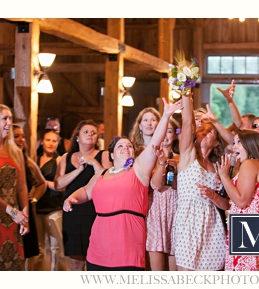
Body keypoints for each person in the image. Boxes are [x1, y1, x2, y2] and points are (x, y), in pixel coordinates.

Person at [63, 98, 179, 271]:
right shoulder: (102, 173)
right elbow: (86, 192)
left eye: (129, 146)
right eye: (120, 146)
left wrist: (166, 116)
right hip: (99, 245)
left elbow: (154, 142)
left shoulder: (138, 170)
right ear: (111, 155)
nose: (126, 148)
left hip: (127, 244)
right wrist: (71, 198)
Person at [173, 91, 226, 271]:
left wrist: (213, 195)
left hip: (212, 225)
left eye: (209, 131)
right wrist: (187, 92)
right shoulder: (188, 156)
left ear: (217, 142)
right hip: (187, 222)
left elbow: (226, 204)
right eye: (201, 129)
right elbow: (187, 122)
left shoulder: (219, 167)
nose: (203, 132)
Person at [0, 104, 29, 271]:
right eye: (5, 119)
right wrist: (12, 211)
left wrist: (25, 216)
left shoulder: (15, 151)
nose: (9, 123)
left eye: (10, 118)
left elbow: (22, 188)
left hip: (14, 218)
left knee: (14, 264)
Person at [214, 130, 259, 271]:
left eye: (239, 142)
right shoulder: (256, 164)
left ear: (250, 145)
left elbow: (241, 201)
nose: (234, 147)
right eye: (234, 143)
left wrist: (225, 176)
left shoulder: (250, 164)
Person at [55, 120, 106, 271]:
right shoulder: (67, 157)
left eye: (93, 132)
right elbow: (58, 185)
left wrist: (93, 163)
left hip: (95, 211)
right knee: (76, 261)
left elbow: (108, 178)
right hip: (73, 212)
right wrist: (78, 170)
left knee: (95, 259)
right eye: (86, 132)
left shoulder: (103, 155)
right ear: (77, 137)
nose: (90, 134)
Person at [146, 118, 180, 271]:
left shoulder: (181, 157)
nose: (166, 135)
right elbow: (155, 185)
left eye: (170, 131)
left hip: (176, 210)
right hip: (156, 211)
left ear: (175, 135)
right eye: (163, 131)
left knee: (174, 272)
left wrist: (177, 169)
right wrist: (161, 163)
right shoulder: (149, 157)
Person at [13, 124, 44, 270]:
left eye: (22, 136)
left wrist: (34, 199)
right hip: (10, 210)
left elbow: (41, 183)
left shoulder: (27, 162)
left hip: (25, 209)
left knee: (27, 252)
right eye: (16, 136)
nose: (21, 139)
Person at [35, 129, 66, 270]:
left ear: (58, 143)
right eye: (48, 140)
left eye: (54, 140)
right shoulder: (35, 159)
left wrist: (44, 183)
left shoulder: (59, 161)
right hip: (37, 208)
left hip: (54, 208)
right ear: (42, 142)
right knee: (39, 249)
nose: (51, 143)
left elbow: (63, 187)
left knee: (55, 248)